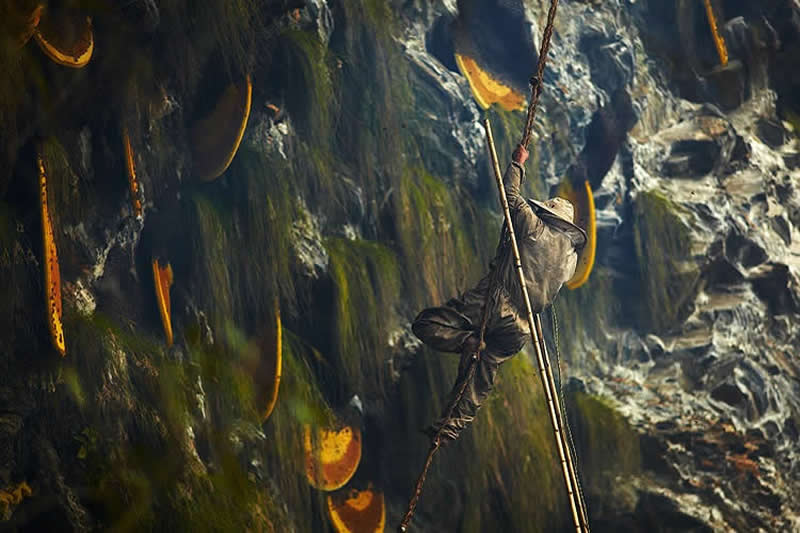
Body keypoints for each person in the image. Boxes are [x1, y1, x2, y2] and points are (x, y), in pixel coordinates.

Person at [412, 144, 587, 442]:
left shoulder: (535, 228)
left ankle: (467, 340)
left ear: (548, 215)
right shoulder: (569, 261)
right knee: (481, 378)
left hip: (495, 302)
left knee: (425, 324)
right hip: (520, 330)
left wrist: (517, 163)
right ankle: (450, 427)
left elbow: (510, 197)